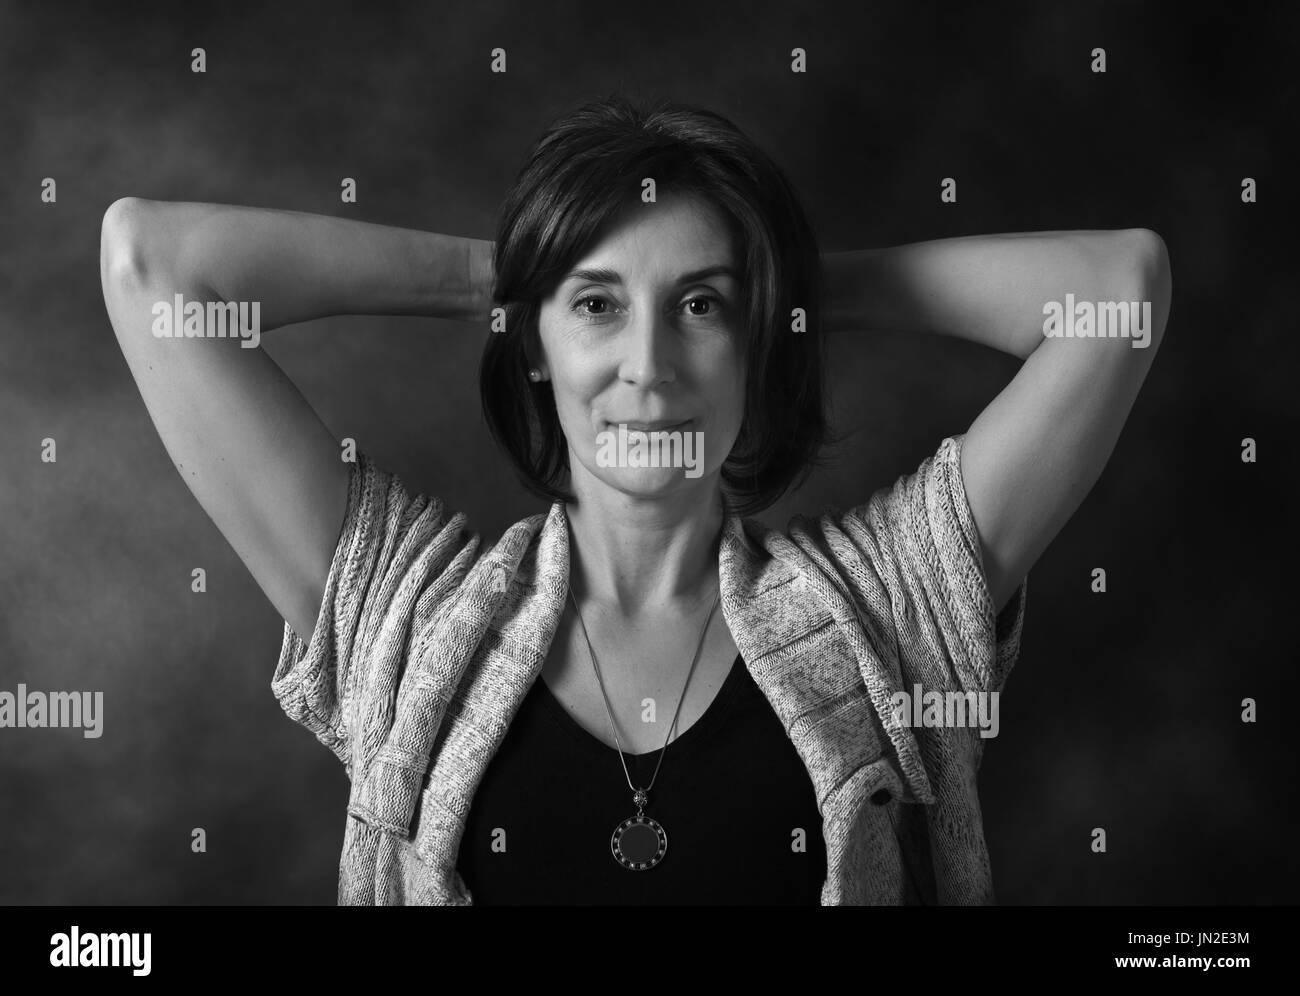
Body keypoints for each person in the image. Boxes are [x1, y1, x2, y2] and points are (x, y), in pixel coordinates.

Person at [99, 93, 1171, 905]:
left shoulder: (880, 612)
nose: (648, 366)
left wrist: (780, 285)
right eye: (598, 307)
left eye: (698, 307)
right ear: (534, 346)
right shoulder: (412, 621)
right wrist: (520, 274)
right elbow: (153, 267)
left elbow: (1118, 293)